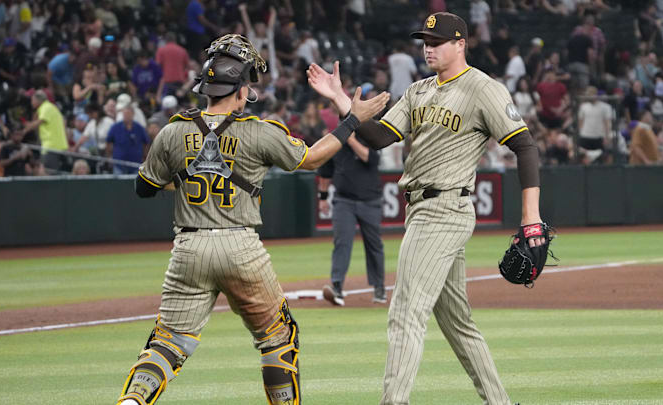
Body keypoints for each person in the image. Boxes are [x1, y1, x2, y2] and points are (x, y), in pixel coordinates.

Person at [116, 34, 388, 405]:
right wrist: (352, 119)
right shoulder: (260, 131)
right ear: (242, 92)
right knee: (277, 336)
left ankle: (132, 400)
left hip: (188, 247)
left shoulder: (172, 131)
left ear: (206, 89)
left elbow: (144, 188)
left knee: (168, 342)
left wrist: (190, 179)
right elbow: (311, 159)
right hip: (240, 246)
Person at [307, 12, 544, 405]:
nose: (428, 48)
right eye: (425, 41)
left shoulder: (483, 88)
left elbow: (525, 146)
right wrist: (339, 99)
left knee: (405, 313)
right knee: (457, 323)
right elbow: (379, 136)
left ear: (460, 44)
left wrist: (530, 215)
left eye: (436, 41)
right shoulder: (418, 90)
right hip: (421, 210)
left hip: (445, 208)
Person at [317, 131, 386, 306]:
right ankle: (337, 287)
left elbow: (370, 159)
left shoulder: (370, 136)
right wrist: (323, 197)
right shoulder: (336, 142)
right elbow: (325, 172)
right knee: (342, 243)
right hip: (343, 200)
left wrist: (351, 140)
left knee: (374, 245)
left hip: (370, 200)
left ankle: (379, 287)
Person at [23, 90, 68, 172]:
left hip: (51, 146)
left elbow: (39, 122)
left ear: (38, 100)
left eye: (32, 100)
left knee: (48, 173)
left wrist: (24, 130)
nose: (31, 102)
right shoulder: (50, 107)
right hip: (57, 145)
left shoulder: (45, 107)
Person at [106, 106, 150, 174]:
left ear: (133, 114)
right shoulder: (115, 127)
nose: (126, 116)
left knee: (135, 183)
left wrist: (145, 157)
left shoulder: (139, 128)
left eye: (128, 113)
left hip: (136, 165)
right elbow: (108, 142)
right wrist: (109, 156)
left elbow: (146, 142)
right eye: (124, 114)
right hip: (119, 164)